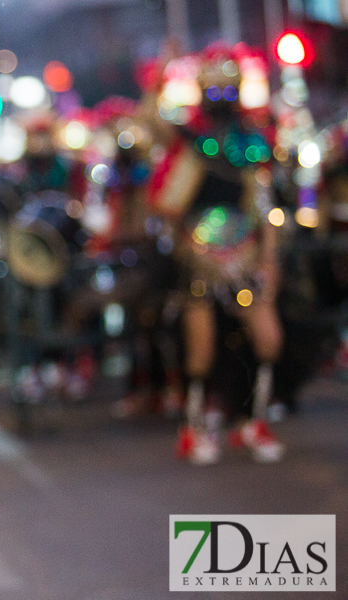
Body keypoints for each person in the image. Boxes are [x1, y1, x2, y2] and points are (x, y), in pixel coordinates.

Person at [150, 44, 284, 465]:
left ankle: (252, 421)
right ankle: (192, 428)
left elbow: (263, 210)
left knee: (267, 339)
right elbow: (168, 206)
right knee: (201, 347)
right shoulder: (190, 143)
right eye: (216, 89)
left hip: (243, 257)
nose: (222, 97)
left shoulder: (253, 144)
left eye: (230, 89)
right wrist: (193, 246)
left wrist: (268, 259)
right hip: (199, 262)